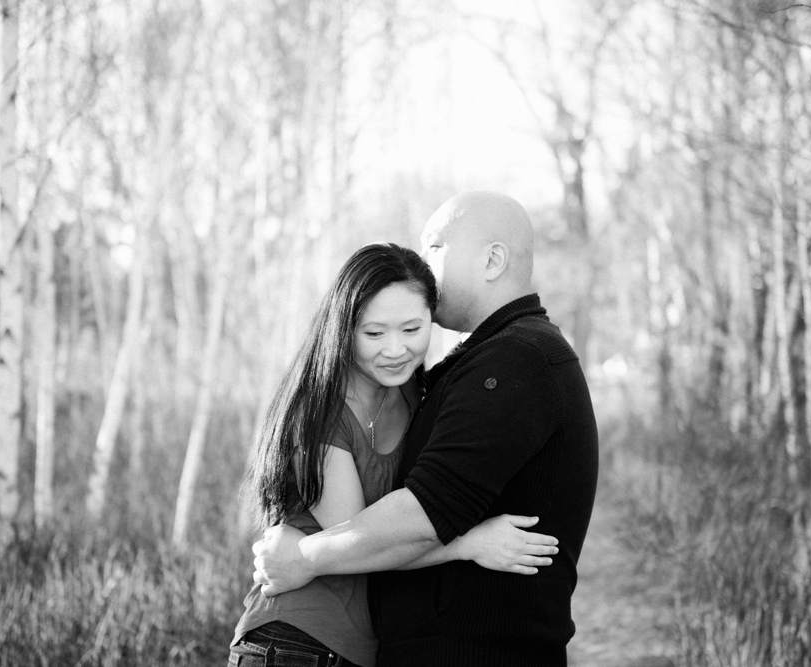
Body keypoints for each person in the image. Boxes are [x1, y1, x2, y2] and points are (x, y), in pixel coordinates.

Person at [253, 192, 599, 667]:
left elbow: (421, 518)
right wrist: (471, 542)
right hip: (307, 642)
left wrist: (304, 556)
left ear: (492, 259)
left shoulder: (516, 358)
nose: (423, 264)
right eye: (375, 332)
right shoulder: (477, 363)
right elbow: (385, 526)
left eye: (434, 246)